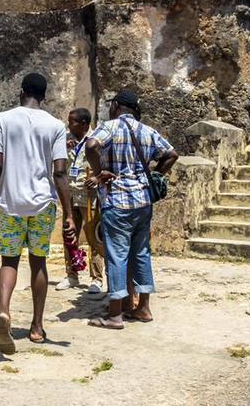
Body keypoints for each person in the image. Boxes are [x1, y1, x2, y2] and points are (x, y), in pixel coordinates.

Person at [0, 73, 76, 354]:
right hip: (42, 205)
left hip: (10, 203)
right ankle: (36, 327)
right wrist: (68, 213)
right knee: (38, 262)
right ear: (44, 96)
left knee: (9, 260)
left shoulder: (3, 120)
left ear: (21, 91)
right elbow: (59, 171)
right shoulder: (55, 125)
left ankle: (4, 313)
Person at [84, 89, 178, 330]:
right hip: (142, 201)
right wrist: (155, 175)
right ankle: (143, 308)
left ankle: (115, 314)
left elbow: (92, 145)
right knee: (141, 253)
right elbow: (171, 154)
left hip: (117, 200)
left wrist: (98, 174)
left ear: (115, 105)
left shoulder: (110, 127)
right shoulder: (147, 131)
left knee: (117, 255)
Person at [55, 108, 105, 294]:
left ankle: (97, 278)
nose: (69, 124)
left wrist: (97, 178)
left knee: (93, 235)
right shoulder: (65, 138)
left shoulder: (97, 138)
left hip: (89, 195)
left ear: (84, 123)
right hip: (70, 194)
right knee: (69, 233)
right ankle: (72, 274)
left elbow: (105, 165)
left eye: (73, 121)